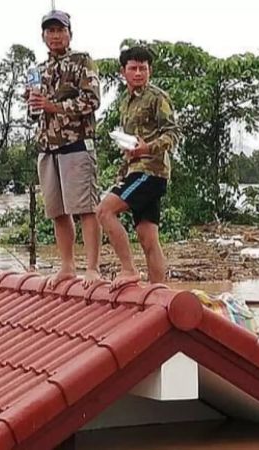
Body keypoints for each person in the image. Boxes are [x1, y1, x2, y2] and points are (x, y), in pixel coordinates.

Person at [96, 46, 182, 289]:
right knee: (148, 239)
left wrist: (148, 148)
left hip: (150, 172)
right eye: (133, 68)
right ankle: (159, 292)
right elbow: (131, 143)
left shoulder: (157, 97)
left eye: (143, 68)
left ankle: (129, 269)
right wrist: (124, 167)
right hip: (135, 170)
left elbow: (173, 133)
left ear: (150, 70)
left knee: (104, 211)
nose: (138, 73)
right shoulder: (125, 103)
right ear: (123, 72)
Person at [27, 10, 102, 288]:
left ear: (70, 33)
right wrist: (34, 104)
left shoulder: (82, 61)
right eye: (50, 31)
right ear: (43, 35)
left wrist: (53, 106)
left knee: (85, 208)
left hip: (76, 144)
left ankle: (92, 268)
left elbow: (92, 101)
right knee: (57, 211)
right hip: (47, 147)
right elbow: (33, 114)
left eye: (60, 30)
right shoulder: (37, 70)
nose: (55, 35)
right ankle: (67, 266)